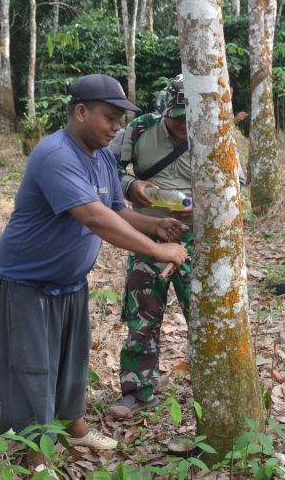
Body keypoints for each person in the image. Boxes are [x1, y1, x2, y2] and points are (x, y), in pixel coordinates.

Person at [0, 74, 189, 469]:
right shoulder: (55, 155)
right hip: (28, 280)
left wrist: (155, 226)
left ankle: (74, 427)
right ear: (81, 112)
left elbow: (116, 210)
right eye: (109, 118)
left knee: (72, 360)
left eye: (120, 120)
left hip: (70, 281)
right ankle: (36, 454)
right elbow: (94, 217)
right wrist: (156, 249)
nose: (116, 128)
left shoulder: (101, 159)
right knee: (34, 366)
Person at [107, 75, 195, 418]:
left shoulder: (214, 131)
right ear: (164, 111)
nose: (184, 126)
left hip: (198, 238)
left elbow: (236, 183)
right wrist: (132, 185)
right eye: (177, 118)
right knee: (142, 314)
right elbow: (106, 167)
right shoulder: (141, 129)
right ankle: (137, 391)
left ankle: (210, 390)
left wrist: (200, 207)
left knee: (204, 315)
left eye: (190, 118)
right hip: (147, 234)